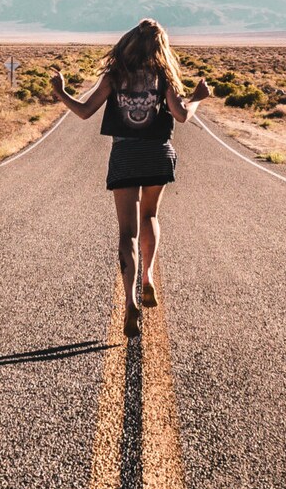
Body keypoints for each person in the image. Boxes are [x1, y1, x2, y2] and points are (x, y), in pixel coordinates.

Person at [51, 18, 212, 337]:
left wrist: (61, 92)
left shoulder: (115, 76)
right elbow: (181, 115)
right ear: (160, 47)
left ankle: (129, 301)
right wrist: (197, 97)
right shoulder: (164, 76)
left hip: (125, 154)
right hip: (157, 153)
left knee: (127, 233)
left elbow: (84, 112)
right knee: (150, 215)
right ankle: (148, 277)